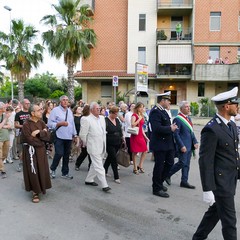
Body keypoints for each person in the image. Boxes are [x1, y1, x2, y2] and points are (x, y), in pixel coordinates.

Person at [192, 87, 240, 240]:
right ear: (226, 106)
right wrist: (207, 189)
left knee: (215, 213)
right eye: (235, 103)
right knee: (230, 221)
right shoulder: (211, 130)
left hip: (230, 179)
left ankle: (198, 237)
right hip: (220, 183)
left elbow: (232, 153)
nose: (238, 106)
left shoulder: (231, 125)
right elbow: (205, 161)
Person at [148, 91, 178, 198]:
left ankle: (159, 182)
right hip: (160, 144)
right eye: (168, 101)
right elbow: (156, 128)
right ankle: (156, 188)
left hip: (168, 143)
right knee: (159, 166)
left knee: (170, 163)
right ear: (163, 101)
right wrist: (170, 128)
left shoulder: (163, 111)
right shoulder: (155, 112)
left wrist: (171, 128)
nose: (170, 102)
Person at [21, 104, 52, 203]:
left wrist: (39, 132)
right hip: (31, 152)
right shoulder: (26, 124)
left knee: (42, 169)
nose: (41, 111)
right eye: (39, 110)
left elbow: (48, 137)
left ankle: (42, 187)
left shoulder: (42, 122)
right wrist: (42, 139)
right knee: (33, 170)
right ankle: (35, 192)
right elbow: (30, 139)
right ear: (32, 113)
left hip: (41, 151)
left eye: (41, 109)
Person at [165, 101, 198, 189]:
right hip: (183, 146)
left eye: (189, 107)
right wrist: (181, 145)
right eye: (186, 107)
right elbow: (176, 134)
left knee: (187, 164)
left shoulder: (188, 118)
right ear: (181, 109)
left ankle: (184, 181)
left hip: (189, 145)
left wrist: (195, 141)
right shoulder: (177, 119)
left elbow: (191, 132)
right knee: (182, 163)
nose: (188, 108)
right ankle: (167, 174)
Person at [80, 102, 111, 192]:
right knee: (99, 166)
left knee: (95, 164)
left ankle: (89, 179)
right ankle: (105, 185)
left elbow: (103, 132)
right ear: (91, 109)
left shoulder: (102, 118)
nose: (99, 110)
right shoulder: (86, 119)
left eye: (99, 108)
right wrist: (87, 144)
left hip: (102, 145)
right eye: (97, 108)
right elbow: (82, 134)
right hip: (93, 146)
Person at [47, 95, 78, 180]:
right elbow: (49, 124)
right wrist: (59, 124)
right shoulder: (55, 110)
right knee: (59, 153)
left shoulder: (69, 111)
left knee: (66, 155)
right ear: (60, 101)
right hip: (59, 135)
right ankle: (53, 169)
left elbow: (72, 124)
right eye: (63, 100)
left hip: (68, 136)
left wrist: (75, 135)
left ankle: (65, 172)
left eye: (67, 100)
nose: (65, 101)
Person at [104, 106, 123, 184]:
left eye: (117, 113)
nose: (116, 115)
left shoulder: (117, 120)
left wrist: (123, 138)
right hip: (109, 142)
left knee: (110, 157)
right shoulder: (105, 120)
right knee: (114, 159)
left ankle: (104, 170)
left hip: (118, 142)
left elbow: (120, 130)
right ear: (111, 113)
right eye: (115, 113)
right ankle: (116, 176)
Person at [130, 102, 149, 175]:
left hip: (141, 135)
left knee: (145, 150)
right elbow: (132, 125)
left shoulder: (141, 115)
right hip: (135, 135)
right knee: (135, 152)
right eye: (140, 107)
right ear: (137, 108)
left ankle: (140, 165)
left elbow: (141, 128)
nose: (142, 108)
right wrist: (139, 119)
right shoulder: (134, 115)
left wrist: (145, 137)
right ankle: (135, 167)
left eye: (143, 107)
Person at [14, 99, 31, 171]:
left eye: (29, 103)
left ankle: (31, 164)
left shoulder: (31, 112)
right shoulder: (18, 114)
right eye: (26, 103)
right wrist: (24, 126)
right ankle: (21, 164)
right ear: (23, 104)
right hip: (23, 134)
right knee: (23, 150)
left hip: (32, 134)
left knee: (32, 149)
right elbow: (16, 125)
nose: (28, 105)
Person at [75, 104, 92, 171]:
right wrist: (83, 140)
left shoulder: (92, 118)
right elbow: (83, 130)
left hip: (91, 138)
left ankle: (90, 166)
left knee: (91, 153)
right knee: (84, 153)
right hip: (85, 138)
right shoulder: (84, 118)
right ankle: (77, 163)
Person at [0, 102, 11, 178]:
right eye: (4, 107)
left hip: (6, 137)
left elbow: (10, 126)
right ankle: (2, 170)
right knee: (0, 156)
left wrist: (3, 125)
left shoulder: (4, 115)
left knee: (5, 154)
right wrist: (5, 119)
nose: (5, 108)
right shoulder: (5, 116)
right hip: (0, 139)